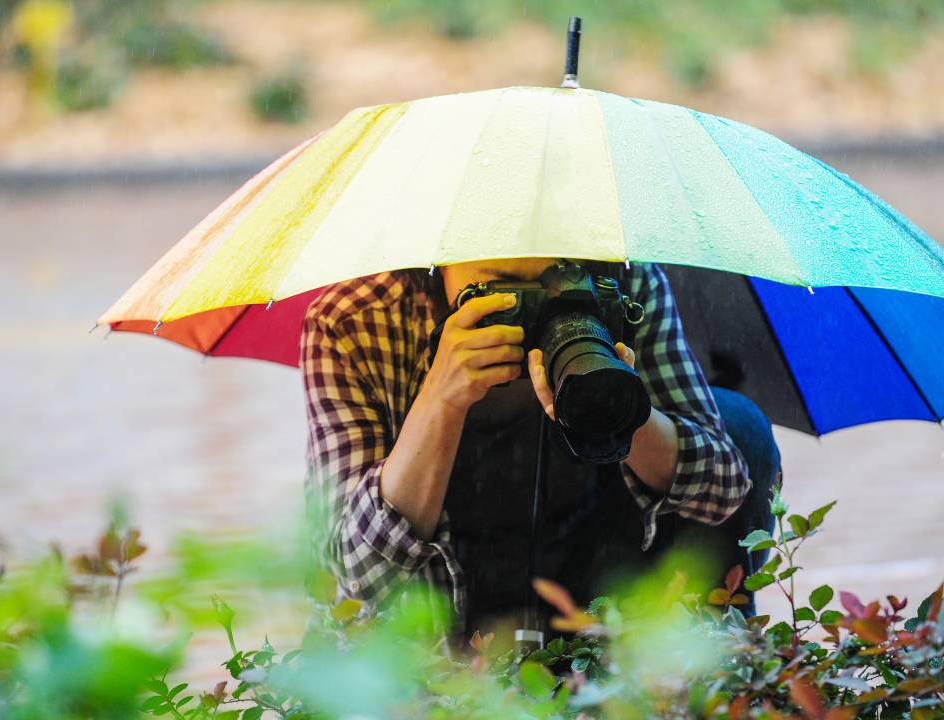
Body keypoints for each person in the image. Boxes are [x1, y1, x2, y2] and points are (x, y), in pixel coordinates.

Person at [301, 257, 780, 639]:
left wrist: (620, 411)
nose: (537, 314)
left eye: (557, 279)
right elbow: (357, 580)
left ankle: (705, 655)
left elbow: (725, 487)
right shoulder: (353, 320)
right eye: (503, 291)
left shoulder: (623, 282)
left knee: (742, 426)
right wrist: (440, 401)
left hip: (590, 572)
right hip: (433, 615)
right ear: (439, 259)